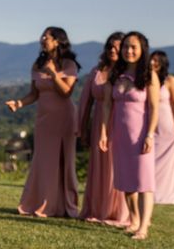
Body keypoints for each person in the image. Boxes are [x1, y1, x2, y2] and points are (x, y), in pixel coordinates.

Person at [6, 27, 80, 218]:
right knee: (44, 161)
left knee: (64, 161)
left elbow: (66, 92)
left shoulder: (68, 64)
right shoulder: (37, 65)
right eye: (42, 36)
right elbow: (34, 94)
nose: (42, 39)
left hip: (64, 118)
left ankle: (64, 205)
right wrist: (19, 103)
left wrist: (54, 74)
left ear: (57, 41)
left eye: (46, 37)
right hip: (44, 120)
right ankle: (41, 203)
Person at [99, 31, 160, 240]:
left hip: (141, 135)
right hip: (120, 134)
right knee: (125, 180)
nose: (129, 51)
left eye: (133, 47)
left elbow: (154, 108)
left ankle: (143, 227)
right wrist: (104, 133)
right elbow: (107, 105)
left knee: (144, 182)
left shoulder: (149, 75)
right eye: (126, 46)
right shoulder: (115, 74)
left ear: (142, 49)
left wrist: (150, 135)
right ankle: (133, 220)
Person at [77, 32, 129, 225]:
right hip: (100, 122)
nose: (113, 51)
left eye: (117, 47)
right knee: (99, 167)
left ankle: (119, 211)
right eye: (110, 47)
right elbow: (85, 101)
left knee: (117, 167)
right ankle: (98, 208)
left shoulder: (128, 74)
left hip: (122, 123)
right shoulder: (97, 71)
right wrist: (82, 127)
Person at [149, 51, 174, 204]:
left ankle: (165, 193)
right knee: (151, 157)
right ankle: (150, 189)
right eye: (151, 60)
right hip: (151, 123)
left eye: (156, 60)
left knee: (167, 160)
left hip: (167, 123)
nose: (153, 63)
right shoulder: (146, 80)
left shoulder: (170, 80)